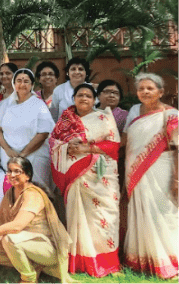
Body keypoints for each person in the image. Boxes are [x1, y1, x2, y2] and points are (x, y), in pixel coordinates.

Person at [49, 84, 121, 277]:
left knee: (104, 218)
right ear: (73, 98)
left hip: (100, 177)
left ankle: (108, 262)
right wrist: (65, 146)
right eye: (80, 95)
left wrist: (86, 149)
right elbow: (54, 143)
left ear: (94, 99)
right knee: (78, 220)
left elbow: (113, 146)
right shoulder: (65, 121)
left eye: (88, 95)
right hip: (75, 179)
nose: (84, 98)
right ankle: (81, 260)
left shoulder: (104, 117)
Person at [0, 157, 73, 284]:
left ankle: (29, 279)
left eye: (17, 171)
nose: (12, 175)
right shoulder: (10, 193)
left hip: (48, 248)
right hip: (23, 243)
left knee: (10, 239)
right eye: (9, 171)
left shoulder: (33, 194)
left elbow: (17, 225)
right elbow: (1, 224)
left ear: (27, 175)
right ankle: (35, 266)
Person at [121, 73, 179, 279]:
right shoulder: (136, 114)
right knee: (142, 211)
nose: (145, 92)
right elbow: (124, 141)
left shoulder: (171, 114)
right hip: (136, 172)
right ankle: (145, 260)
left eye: (150, 88)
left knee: (163, 213)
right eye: (141, 89)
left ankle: (169, 260)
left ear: (161, 92)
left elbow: (178, 148)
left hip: (162, 169)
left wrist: (177, 179)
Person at [0, 69, 56, 192]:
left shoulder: (39, 104)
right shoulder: (5, 104)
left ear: (32, 85)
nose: (22, 84)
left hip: (34, 156)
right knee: (12, 192)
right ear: (14, 83)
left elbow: (43, 133)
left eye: (26, 81)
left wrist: (23, 155)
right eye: (19, 81)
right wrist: (8, 150)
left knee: (37, 192)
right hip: (9, 156)